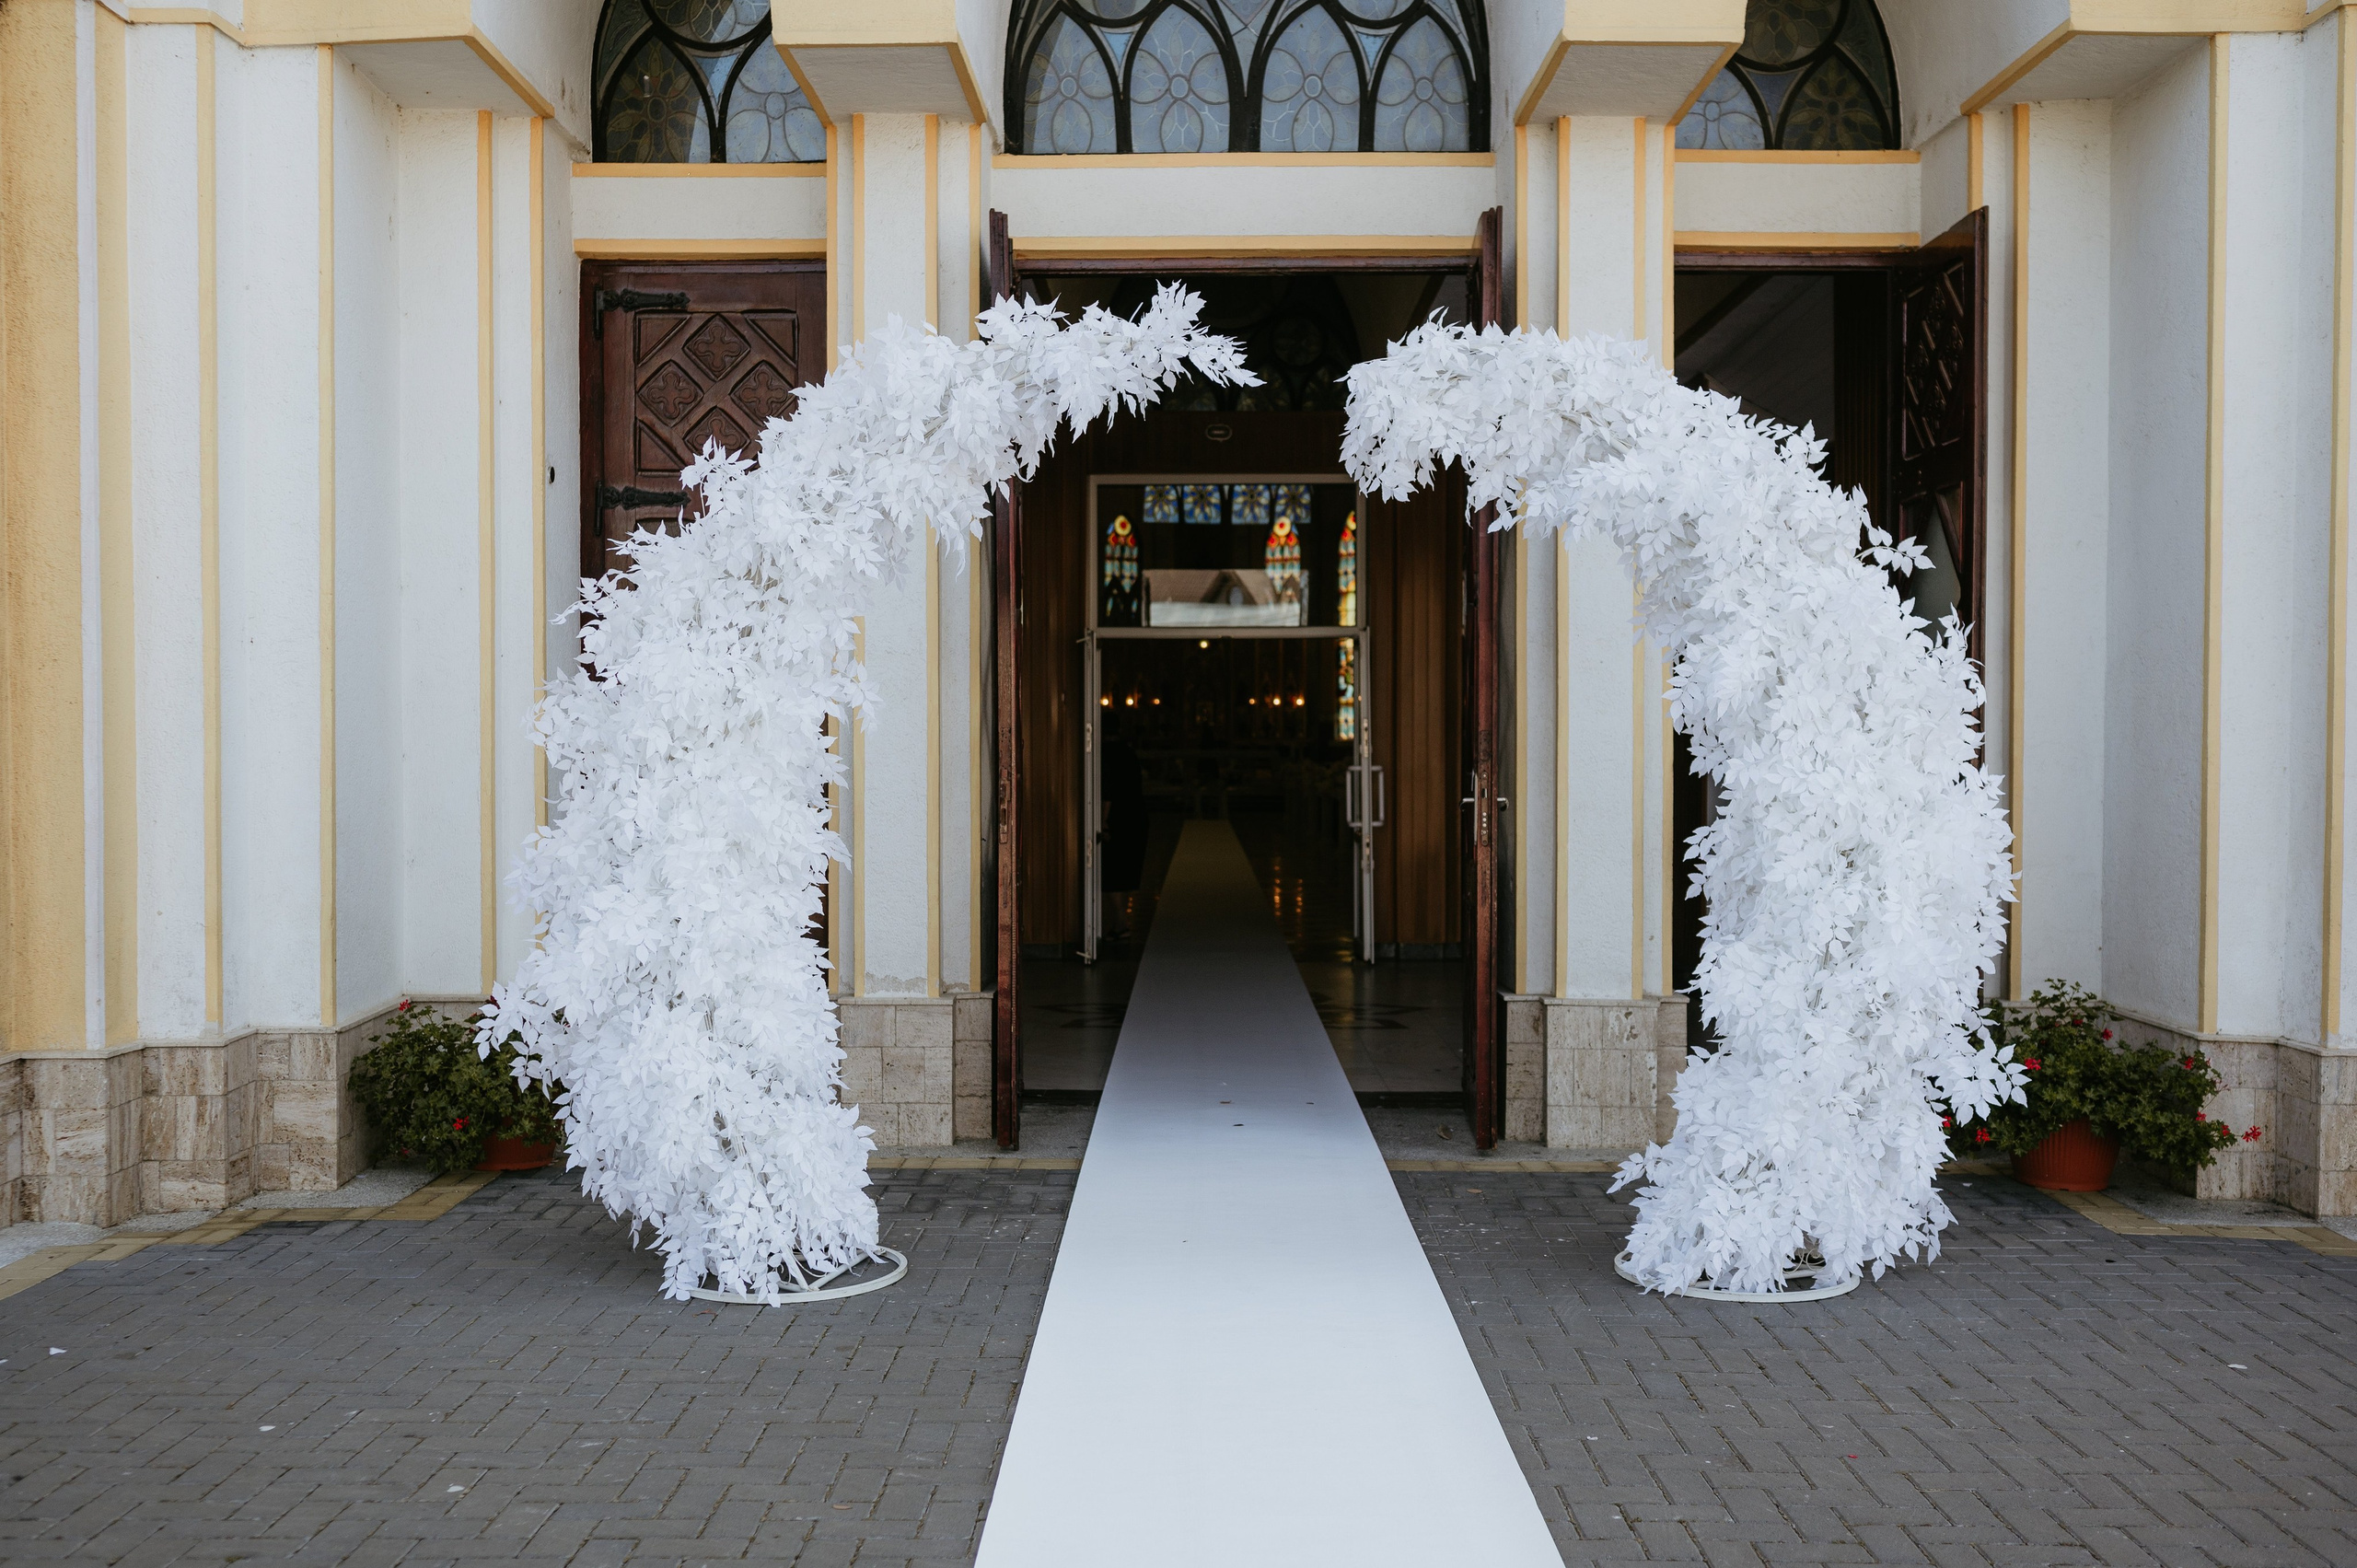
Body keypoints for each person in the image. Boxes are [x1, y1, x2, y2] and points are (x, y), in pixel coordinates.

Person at [1101, 711, 1147, 939]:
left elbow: (1107, 791)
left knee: (1112, 873)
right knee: (1125, 871)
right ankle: (1120, 923)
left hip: (1116, 818)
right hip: (1135, 817)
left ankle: (1120, 923)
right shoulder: (1129, 753)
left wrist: (1103, 821)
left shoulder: (1104, 754)